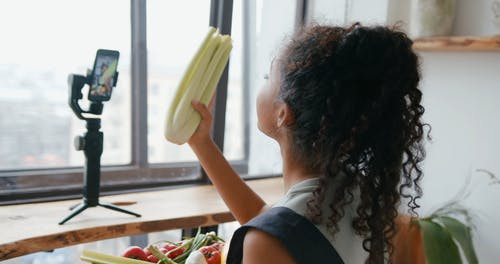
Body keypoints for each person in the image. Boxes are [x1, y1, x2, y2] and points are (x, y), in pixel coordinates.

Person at [187, 23, 428, 264]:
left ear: (283, 113)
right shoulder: (361, 200)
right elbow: (276, 224)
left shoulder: (267, 243)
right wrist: (202, 143)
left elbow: (278, 233)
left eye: (266, 78)